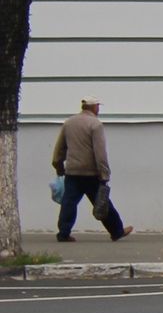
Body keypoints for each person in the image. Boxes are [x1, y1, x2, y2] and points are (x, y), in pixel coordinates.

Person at [51, 97, 127, 243]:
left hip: (72, 171)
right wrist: (104, 173)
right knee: (102, 202)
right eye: (98, 106)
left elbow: (60, 147)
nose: (98, 109)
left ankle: (63, 233)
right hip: (91, 172)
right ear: (94, 108)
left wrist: (58, 166)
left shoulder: (69, 123)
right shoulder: (95, 124)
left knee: (69, 202)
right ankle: (117, 231)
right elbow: (100, 152)